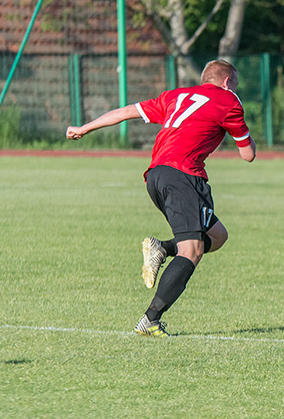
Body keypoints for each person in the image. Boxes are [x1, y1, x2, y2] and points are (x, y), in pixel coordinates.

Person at [66, 60, 256, 337]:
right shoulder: (228, 100)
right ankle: (150, 319)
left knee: (217, 235)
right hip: (183, 176)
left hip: (156, 175)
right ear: (227, 82)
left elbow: (127, 111)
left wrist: (84, 128)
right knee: (191, 251)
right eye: (234, 85)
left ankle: (161, 248)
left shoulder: (175, 96)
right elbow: (247, 154)